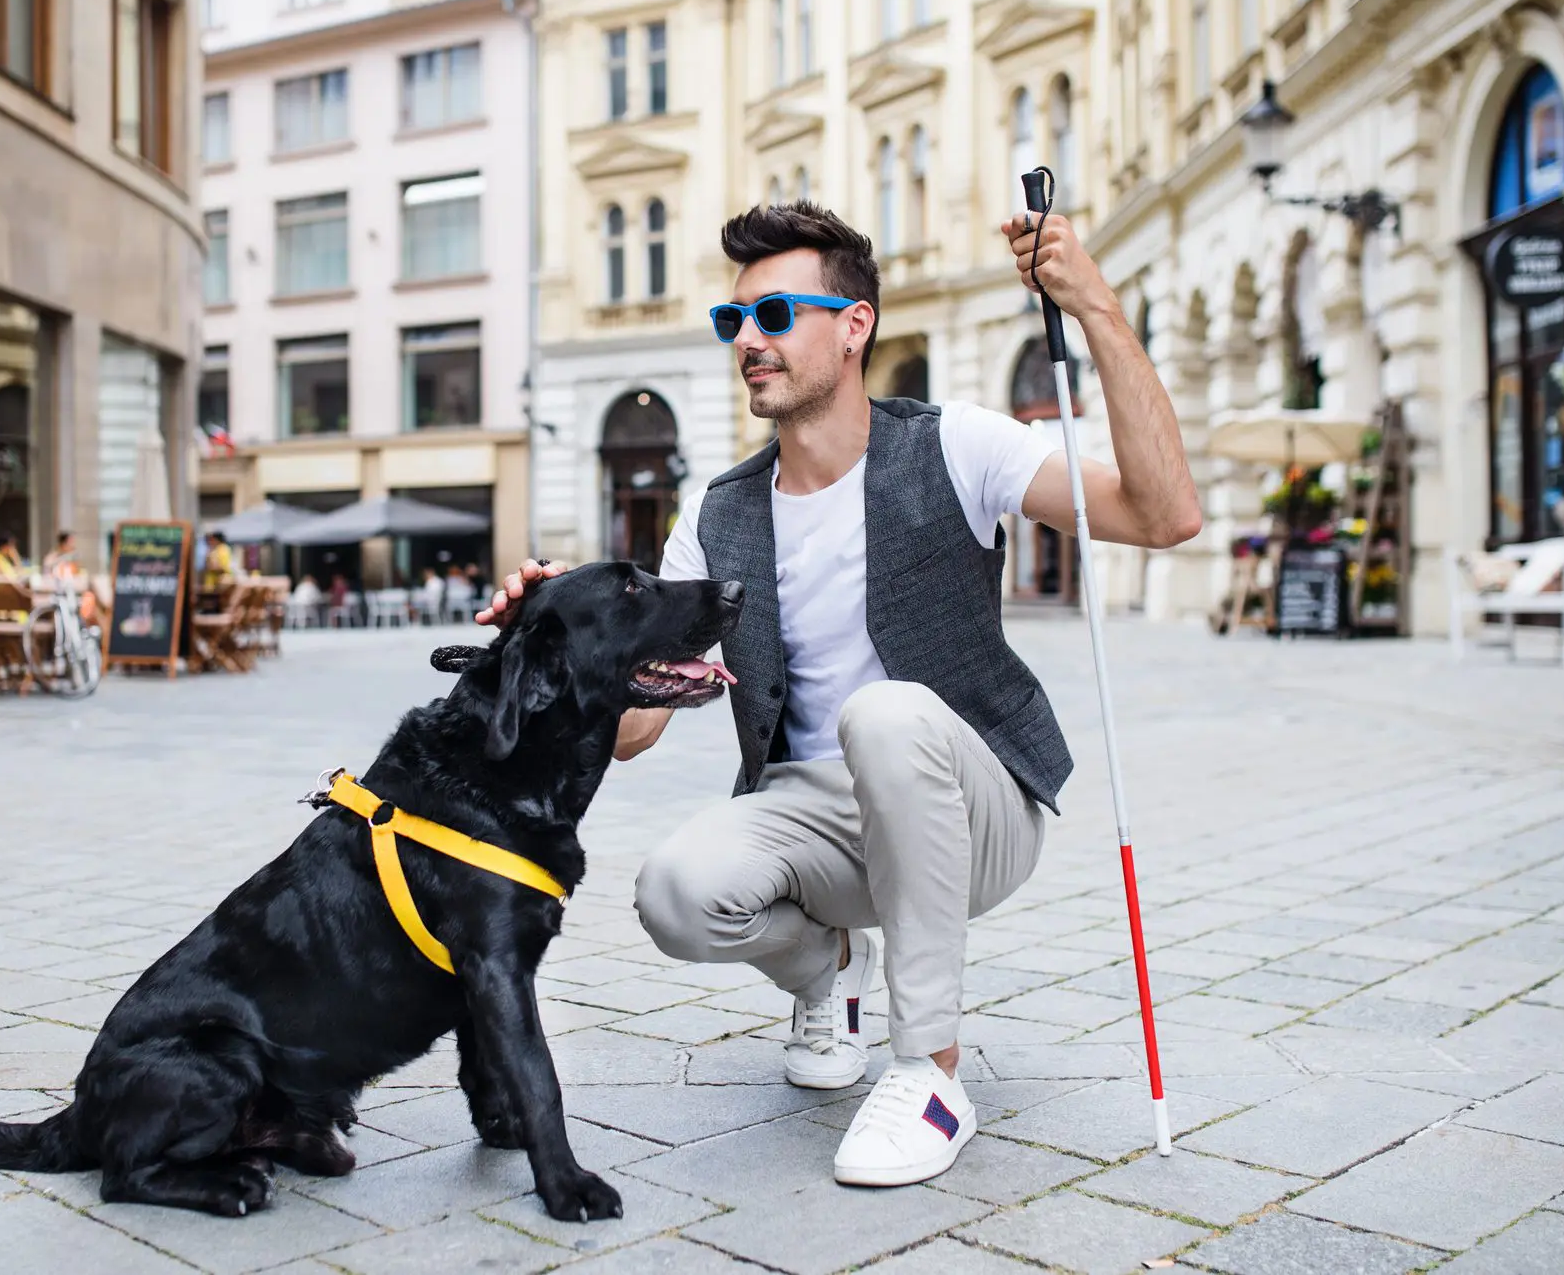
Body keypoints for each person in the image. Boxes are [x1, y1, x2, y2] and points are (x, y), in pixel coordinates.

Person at [480, 201, 1199, 1188]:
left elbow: (1164, 514)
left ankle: (930, 1070)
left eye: (775, 314)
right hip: (812, 814)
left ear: (853, 325)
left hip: (970, 798)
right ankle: (829, 970)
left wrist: (1099, 312)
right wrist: (565, 632)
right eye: (735, 321)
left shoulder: (956, 444)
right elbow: (637, 730)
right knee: (676, 892)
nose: (750, 341)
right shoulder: (720, 513)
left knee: (885, 713)